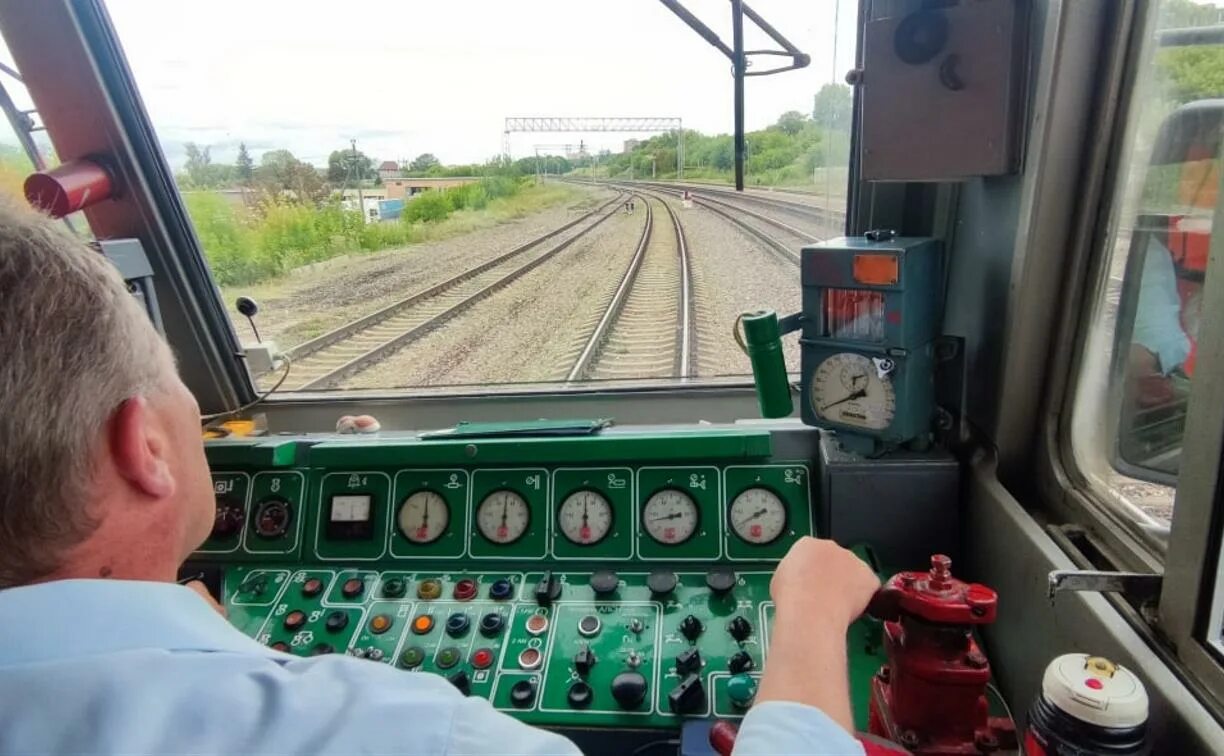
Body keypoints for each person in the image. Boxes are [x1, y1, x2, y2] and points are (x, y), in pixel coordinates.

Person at [0, 197, 880, 755]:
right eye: (178, 388)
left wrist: (232, 654)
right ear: (143, 448)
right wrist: (802, 619)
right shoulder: (407, 733)